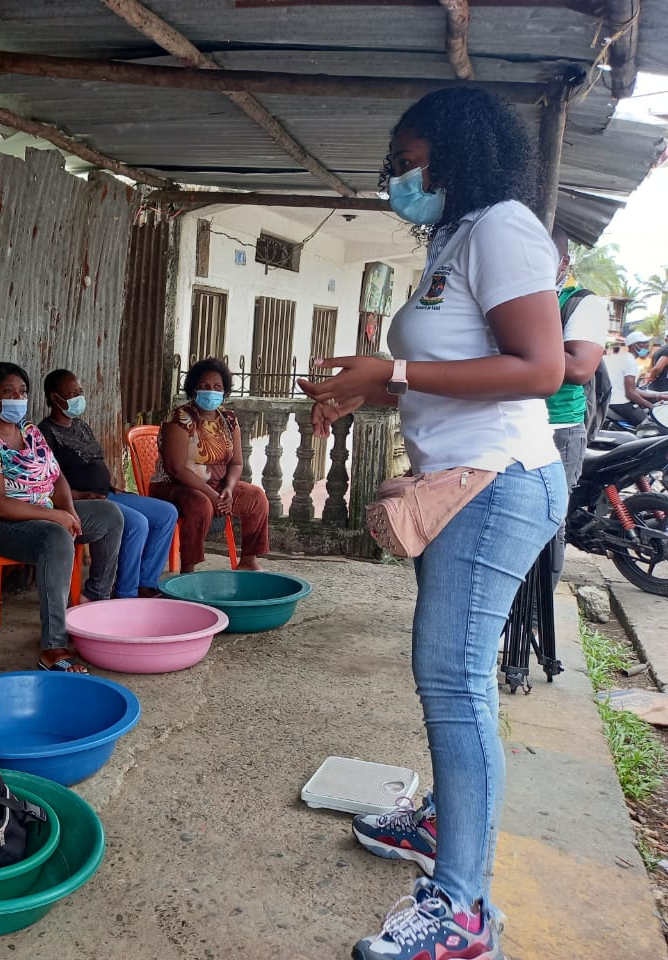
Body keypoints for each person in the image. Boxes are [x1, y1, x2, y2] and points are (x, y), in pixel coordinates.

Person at [298, 87, 567, 960]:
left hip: (496, 484)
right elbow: (444, 369)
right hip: (456, 485)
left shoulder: (503, 228)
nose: (396, 179)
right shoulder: (455, 237)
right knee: (452, 678)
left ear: (455, 154)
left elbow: (538, 367)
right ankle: (443, 826)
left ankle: (464, 912)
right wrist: (363, 388)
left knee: (453, 684)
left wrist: (396, 368)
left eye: (407, 163)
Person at [0, 362, 124, 673]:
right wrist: (56, 517)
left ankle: (91, 603)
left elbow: (56, 477)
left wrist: (67, 509)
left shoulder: (29, 431)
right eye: (8, 392)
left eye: (22, 391)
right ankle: (53, 648)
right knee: (55, 538)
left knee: (109, 514)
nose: (18, 397)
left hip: (45, 512)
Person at [36, 368, 177, 598]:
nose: (78, 398)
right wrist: (80, 495)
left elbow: (93, 461)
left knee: (166, 513)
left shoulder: (80, 426)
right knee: (138, 523)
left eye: (79, 391)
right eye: (72, 393)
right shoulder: (45, 433)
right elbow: (46, 481)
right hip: (83, 501)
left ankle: (146, 582)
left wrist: (110, 484)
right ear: (55, 398)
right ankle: (126, 592)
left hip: (107, 493)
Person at [147, 358, 269, 573]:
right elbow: (176, 468)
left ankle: (249, 561)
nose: (210, 391)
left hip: (218, 486)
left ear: (225, 391)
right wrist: (212, 495)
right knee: (200, 504)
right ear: (193, 389)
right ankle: (188, 569)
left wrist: (228, 490)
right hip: (174, 486)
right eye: (203, 386)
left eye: (217, 387)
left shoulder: (229, 419)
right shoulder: (179, 418)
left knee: (256, 496)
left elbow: (237, 463)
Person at [544, 225, 608, 588]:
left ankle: (536, 613)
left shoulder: (581, 303)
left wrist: (515, 359)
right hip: (503, 423)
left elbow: (579, 367)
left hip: (558, 430)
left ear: (563, 262)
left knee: (550, 520)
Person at [605, 332, 661, 426]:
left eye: (647, 342)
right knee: (650, 426)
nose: (647, 345)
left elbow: (632, 389)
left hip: (611, 401)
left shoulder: (623, 358)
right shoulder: (630, 360)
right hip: (621, 403)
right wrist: (652, 407)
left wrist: (657, 396)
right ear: (633, 345)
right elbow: (630, 393)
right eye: (642, 342)